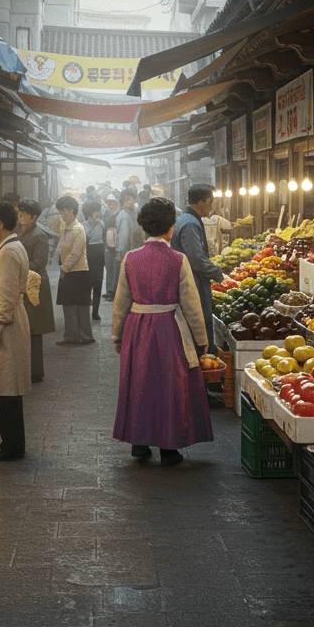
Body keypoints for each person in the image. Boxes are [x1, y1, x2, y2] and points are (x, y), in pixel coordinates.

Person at [112, 197, 213, 466]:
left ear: (144, 227)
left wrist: (117, 335)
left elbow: (121, 302)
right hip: (170, 327)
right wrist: (201, 340)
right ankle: (169, 448)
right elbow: (191, 304)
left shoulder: (130, 259)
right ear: (170, 228)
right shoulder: (178, 259)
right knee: (171, 385)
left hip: (137, 327)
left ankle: (139, 443)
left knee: (139, 383)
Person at [0, 201, 32, 461]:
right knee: (4, 387)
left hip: (7, 325)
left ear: (0, 224)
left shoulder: (9, 251)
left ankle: (12, 445)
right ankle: (10, 441)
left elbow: (8, 293)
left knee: (6, 388)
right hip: (9, 320)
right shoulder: (10, 246)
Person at [172, 185, 227, 354]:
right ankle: (202, 363)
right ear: (201, 202)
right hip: (192, 282)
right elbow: (197, 260)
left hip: (189, 280)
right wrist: (218, 274)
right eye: (210, 202)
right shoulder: (190, 224)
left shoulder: (186, 219)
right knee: (198, 326)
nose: (212, 206)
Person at [16, 199, 54, 383]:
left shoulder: (39, 236)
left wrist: (15, 266)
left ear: (34, 217)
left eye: (24, 214)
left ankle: (35, 372)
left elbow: (39, 262)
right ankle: (26, 369)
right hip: (24, 282)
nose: (20, 217)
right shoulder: (20, 231)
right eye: (19, 213)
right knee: (26, 328)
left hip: (35, 284)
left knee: (34, 330)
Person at [55, 196, 94, 346]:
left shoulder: (78, 229)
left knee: (80, 306)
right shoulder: (66, 228)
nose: (61, 216)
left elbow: (76, 253)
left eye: (63, 212)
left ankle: (84, 336)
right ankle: (71, 336)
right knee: (68, 305)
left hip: (78, 272)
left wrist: (64, 269)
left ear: (71, 211)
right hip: (69, 271)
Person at [110, 189, 139, 299]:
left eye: (133, 199)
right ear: (123, 201)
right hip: (124, 254)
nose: (132, 201)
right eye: (129, 199)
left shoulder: (131, 214)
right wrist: (120, 253)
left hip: (130, 252)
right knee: (122, 284)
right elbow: (123, 236)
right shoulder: (124, 216)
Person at [82, 200, 106, 321]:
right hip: (88, 253)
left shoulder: (101, 223)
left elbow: (104, 238)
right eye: (94, 211)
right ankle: (85, 311)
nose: (96, 213)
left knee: (98, 282)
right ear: (88, 212)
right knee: (86, 284)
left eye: (97, 211)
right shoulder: (82, 225)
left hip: (99, 254)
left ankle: (95, 311)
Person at [102, 195, 122, 300]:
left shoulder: (119, 215)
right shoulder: (106, 214)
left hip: (115, 246)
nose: (111, 205)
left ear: (117, 204)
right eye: (109, 204)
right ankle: (109, 290)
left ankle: (113, 292)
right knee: (109, 269)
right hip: (108, 245)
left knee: (115, 270)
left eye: (113, 203)